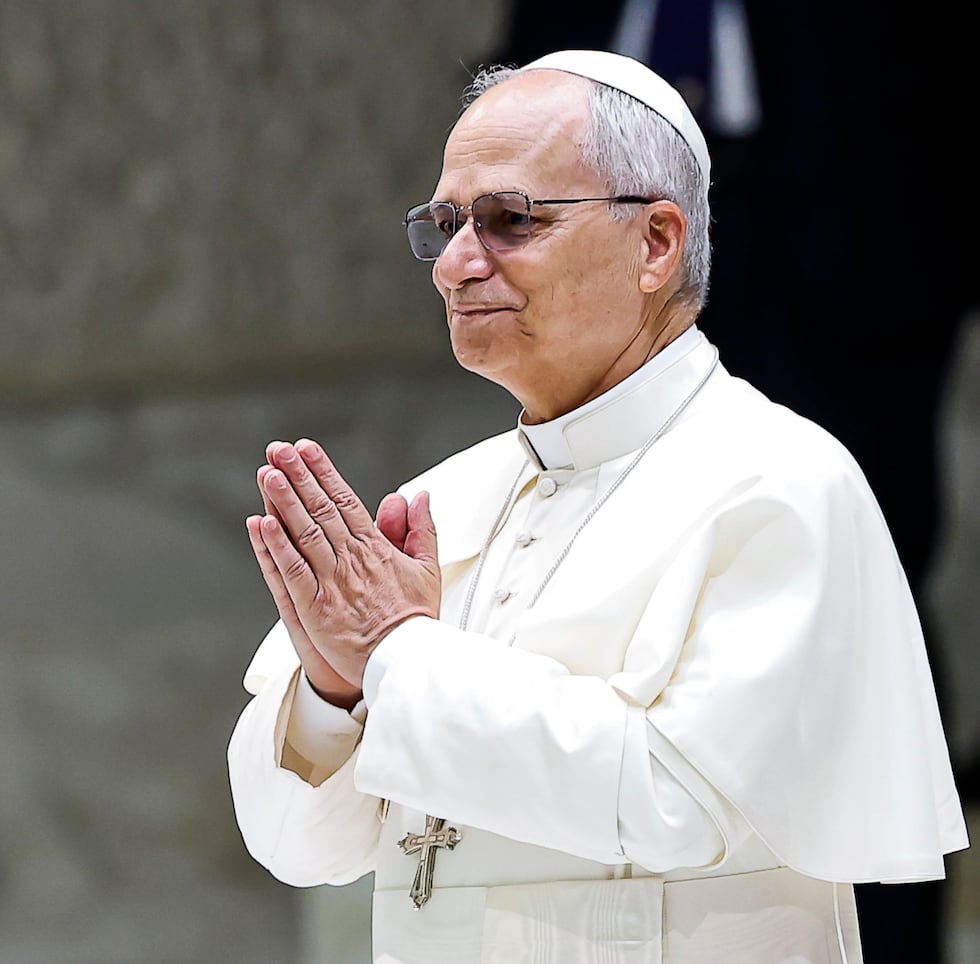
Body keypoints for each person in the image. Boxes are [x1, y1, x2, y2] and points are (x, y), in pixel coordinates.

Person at [227, 50, 969, 964]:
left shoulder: (779, 481)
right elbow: (297, 847)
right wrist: (339, 690)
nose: (455, 265)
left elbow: (678, 798)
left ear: (655, 242)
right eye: (445, 224)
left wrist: (399, 653)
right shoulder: (447, 499)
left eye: (508, 221)